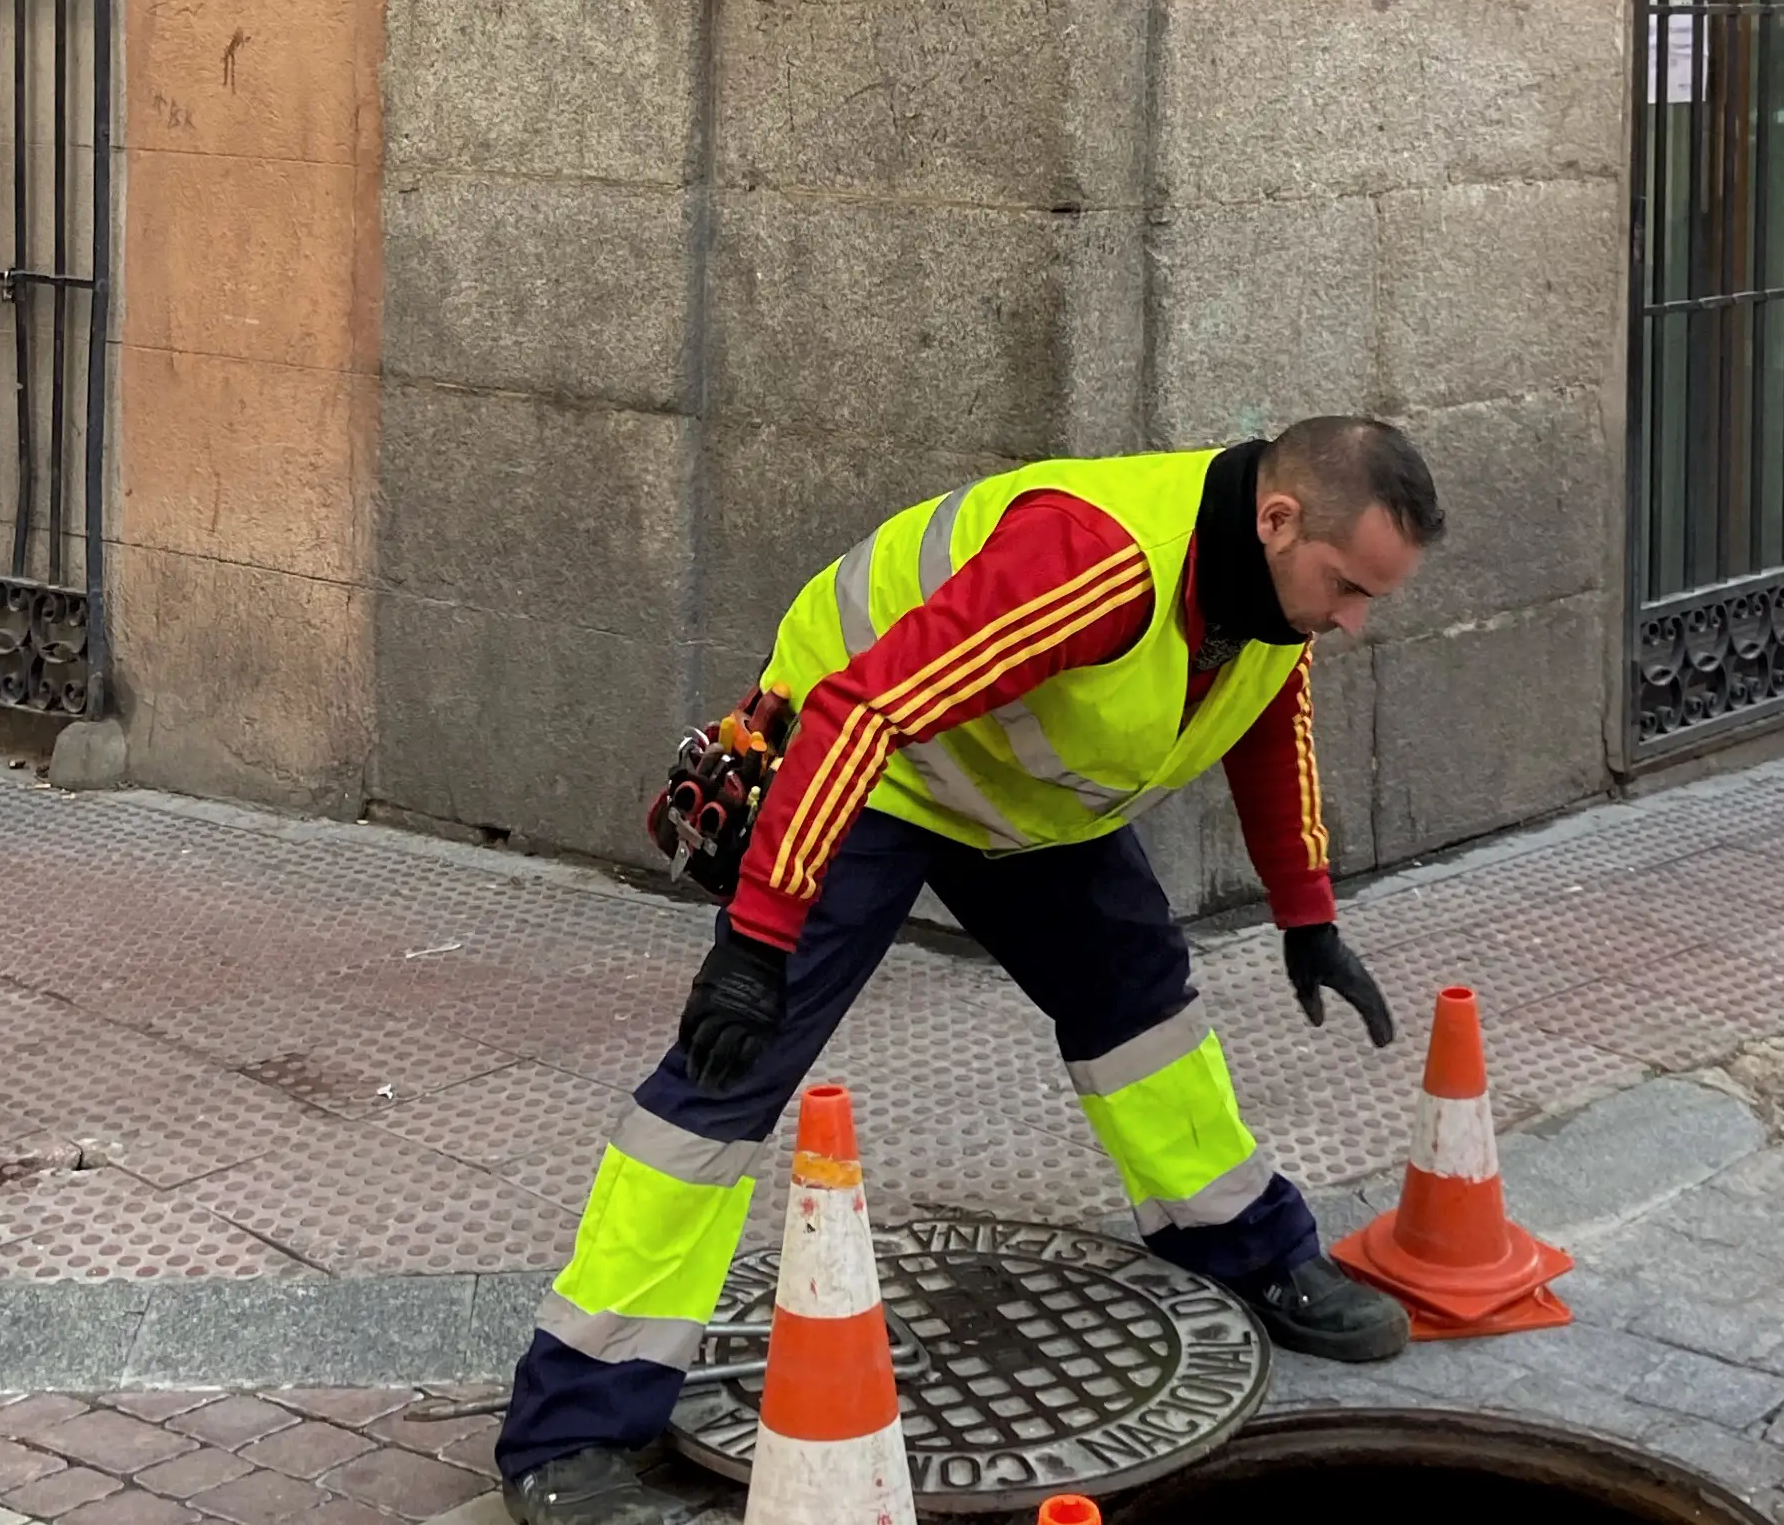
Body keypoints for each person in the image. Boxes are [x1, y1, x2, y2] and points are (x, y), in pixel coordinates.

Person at [497, 417, 1446, 1524]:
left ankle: (1240, 1244)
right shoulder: (1094, 563)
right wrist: (758, 943)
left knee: (1140, 1005)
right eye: (1345, 588)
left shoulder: (1267, 591)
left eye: (1372, 598)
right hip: (864, 771)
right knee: (727, 1073)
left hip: (1017, 799)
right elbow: (865, 711)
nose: (1354, 620)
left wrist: (1306, 913)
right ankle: (567, 1431)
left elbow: (1267, 716)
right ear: (1277, 519)